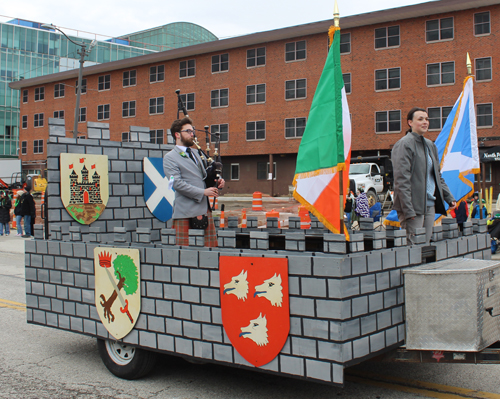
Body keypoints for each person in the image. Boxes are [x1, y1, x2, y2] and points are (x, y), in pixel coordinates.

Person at [392, 107, 456, 245]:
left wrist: (449, 197)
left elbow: (437, 176)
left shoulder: (430, 145)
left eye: (426, 119)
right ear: (410, 122)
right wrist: (408, 210)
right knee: (413, 246)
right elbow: (401, 181)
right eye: (420, 119)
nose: (425, 122)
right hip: (412, 207)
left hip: (429, 205)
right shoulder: (404, 144)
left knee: (425, 245)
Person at [163, 116, 225, 247]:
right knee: (185, 256)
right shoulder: (169, 158)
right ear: (177, 134)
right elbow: (176, 183)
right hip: (186, 212)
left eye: (193, 131)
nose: (192, 134)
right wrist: (203, 192)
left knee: (210, 253)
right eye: (188, 131)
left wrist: (216, 182)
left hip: (204, 210)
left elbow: (202, 178)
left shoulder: (197, 153)